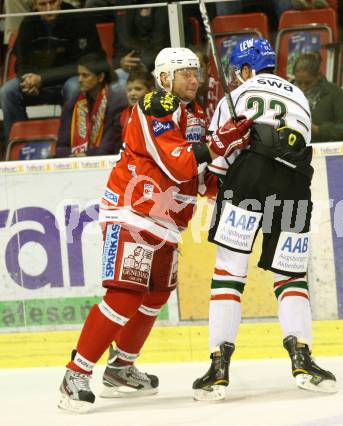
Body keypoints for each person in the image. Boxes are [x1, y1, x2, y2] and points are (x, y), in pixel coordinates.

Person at [57, 46, 253, 413]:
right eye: (185, 73)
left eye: (196, 72)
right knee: (125, 295)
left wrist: (233, 178)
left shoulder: (193, 115)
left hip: (166, 220)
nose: (194, 79)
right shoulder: (155, 106)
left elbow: (198, 177)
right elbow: (179, 164)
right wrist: (219, 143)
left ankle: (121, 367)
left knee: (157, 294)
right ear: (165, 78)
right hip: (133, 211)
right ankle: (75, 374)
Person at [192, 37, 337, 402]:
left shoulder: (235, 96)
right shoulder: (300, 96)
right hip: (293, 184)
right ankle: (302, 356)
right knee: (290, 275)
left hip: (248, 177)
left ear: (245, 69)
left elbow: (218, 152)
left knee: (229, 271)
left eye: (236, 72)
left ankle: (218, 365)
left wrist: (215, 177)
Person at [0, 0, 102, 141]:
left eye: (52, 2)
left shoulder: (78, 19)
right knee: (7, 92)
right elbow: (22, 61)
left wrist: (41, 79)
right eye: (43, 4)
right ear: (35, 5)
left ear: (60, 0)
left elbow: (82, 64)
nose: (49, 9)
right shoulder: (28, 22)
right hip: (38, 83)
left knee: (75, 87)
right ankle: (19, 145)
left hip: (69, 78)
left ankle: (75, 142)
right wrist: (28, 79)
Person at [56, 51, 127, 157]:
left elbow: (109, 147)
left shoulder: (116, 103)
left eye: (85, 75)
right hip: (73, 163)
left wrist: (86, 155)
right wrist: (73, 156)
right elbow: (61, 147)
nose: (80, 80)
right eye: (79, 75)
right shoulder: (72, 104)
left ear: (100, 77)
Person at [292, 51, 343, 142]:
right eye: (299, 83)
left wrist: (319, 130)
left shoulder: (335, 93)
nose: (303, 88)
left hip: (325, 149)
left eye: (308, 83)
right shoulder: (289, 93)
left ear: (319, 76)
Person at [119, 66, 155, 139]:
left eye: (138, 89)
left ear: (151, 90)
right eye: (129, 90)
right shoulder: (124, 114)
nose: (132, 93)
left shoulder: (157, 114)